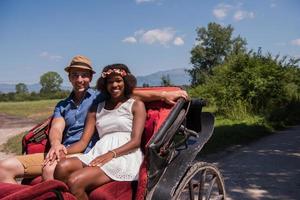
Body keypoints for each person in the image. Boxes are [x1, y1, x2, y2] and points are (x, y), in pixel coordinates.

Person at [0, 55, 188, 184]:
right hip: (62, 150)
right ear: (70, 77)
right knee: (4, 167)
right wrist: (56, 145)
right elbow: (56, 128)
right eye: (75, 75)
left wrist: (163, 94)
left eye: (84, 75)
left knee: (50, 170)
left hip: (88, 151)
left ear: (90, 78)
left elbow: (128, 92)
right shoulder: (62, 105)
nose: (80, 79)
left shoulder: (98, 98)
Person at [54, 64, 145, 199]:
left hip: (124, 155)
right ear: (104, 85)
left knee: (75, 181)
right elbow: (83, 142)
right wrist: (61, 151)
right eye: (110, 82)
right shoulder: (96, 108)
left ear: (126, 82)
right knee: (62, 166)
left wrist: (111, 154)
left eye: (118, 80)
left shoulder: (136, 104)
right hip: (98, 152)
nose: (114, 85)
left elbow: (136, 141)